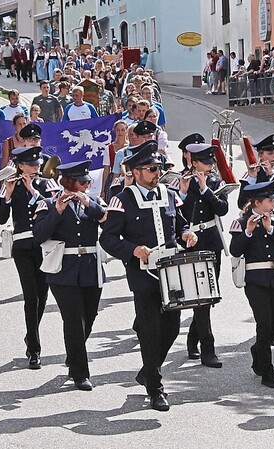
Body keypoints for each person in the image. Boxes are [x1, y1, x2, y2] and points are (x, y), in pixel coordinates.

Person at [99, 140, 198, 411]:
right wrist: (133, 250)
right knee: (150, 330)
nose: (157, 173)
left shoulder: (169, 194)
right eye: (152, 169)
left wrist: (186, 233)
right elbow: (108, 239)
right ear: (137, 171)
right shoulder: (124, 198)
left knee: (172, 327)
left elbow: (180, 223)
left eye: (159, 168)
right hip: (143, 274)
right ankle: (155, 387)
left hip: (171, 270)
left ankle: (147, 370)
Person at [32, 159, 106, 390]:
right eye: (83, 182)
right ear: (70, 182)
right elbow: (39, 235)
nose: (87, 185)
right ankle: (80, 373)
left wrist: (89, 204)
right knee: (73, 320)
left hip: (90, 266)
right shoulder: (47, 202)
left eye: (88, 181)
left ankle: (74, 353)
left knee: (90, 316)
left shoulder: (92, 201)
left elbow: (107, 219)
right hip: (63, 269)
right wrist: (57, 210)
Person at [0, 146, 59, 369]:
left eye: (37, 164)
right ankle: (34, 348)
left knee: (42, 296)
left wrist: (33, 190)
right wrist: (7, 195)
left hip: (44, 246)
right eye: (31, 165)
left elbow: (54, 210)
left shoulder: (46, 185)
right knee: (30, 297)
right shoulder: (11, 186)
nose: (36, 167)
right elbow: (1, 219)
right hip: (22, 246)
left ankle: (31, 334)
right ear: (20, 166)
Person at [230, 179, 274, 389]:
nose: (273, 204)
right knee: (264, 324)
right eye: (269, 200)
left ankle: (258, 350)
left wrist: (269, 229)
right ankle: (268, 371)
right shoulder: (241, 222)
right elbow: (235, 251)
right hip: (255, 279)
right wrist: (248, 232)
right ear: (257, 203)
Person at [172, 135, 228, 368]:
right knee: (199, 296)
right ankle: (208, 348)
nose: (210, 165)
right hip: (192, 241)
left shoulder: (214, 182)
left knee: (208, 296)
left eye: (211, 161)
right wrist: (183, 194)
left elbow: (223, 209)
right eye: (205, 161)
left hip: (212, 240)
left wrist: (206, 189)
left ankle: (193, 336)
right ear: (193, 162)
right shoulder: (180, 181)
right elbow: (174, 215)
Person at [237, 134, 274, 347]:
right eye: (270, 153)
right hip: (257, 229)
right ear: (260, 155)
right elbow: (241, 202)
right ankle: (267, 326)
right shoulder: (251, 174)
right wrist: (254, 178)